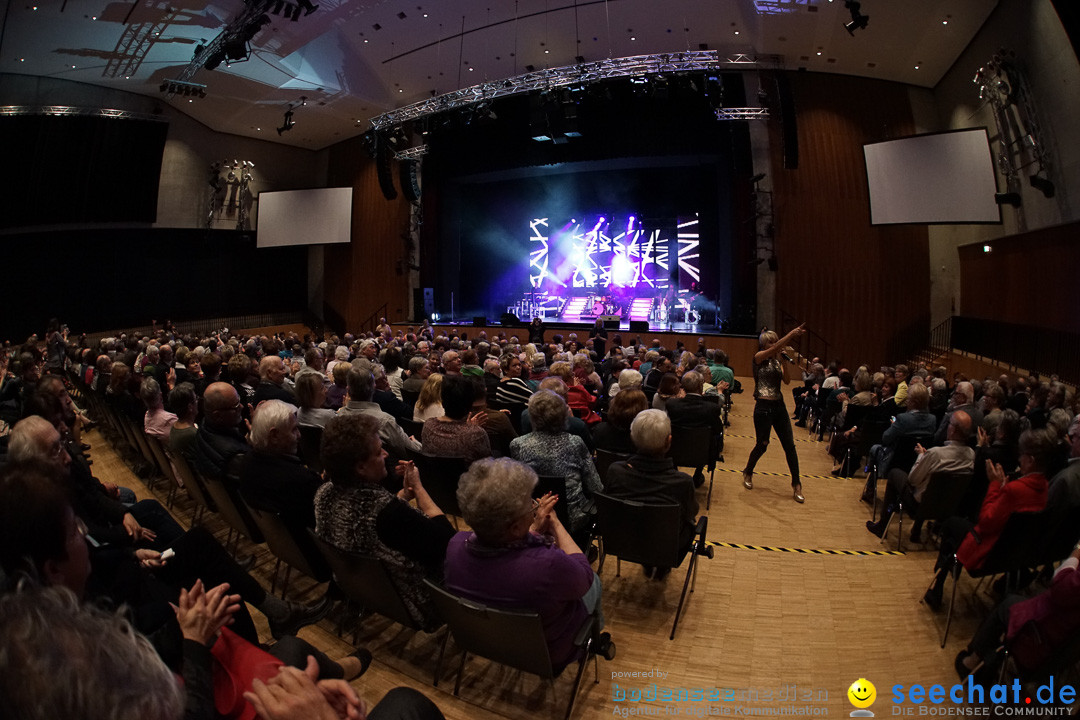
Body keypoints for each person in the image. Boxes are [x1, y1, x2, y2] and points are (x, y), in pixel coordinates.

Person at [444, 457, 611, 670]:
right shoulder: (547, 565)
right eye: (530, 504)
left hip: (490, 642)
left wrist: (532, 530)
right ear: (514, 528)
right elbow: (584, 575)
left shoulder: (455, 545)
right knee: (594, 581)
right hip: (547, 652)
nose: (534, 507)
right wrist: (556, 525)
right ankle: (594, 640)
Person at [314, 413, 455, 629]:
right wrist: (418, 487)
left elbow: (365, 526)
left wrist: (404, 496)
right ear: (360, 467)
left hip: (365, 591)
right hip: (418, 603)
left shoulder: (323, 494)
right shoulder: (388, 513)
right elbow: (447, 543)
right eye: (379, 451)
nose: (386, 454)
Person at [924, 428, 1055, 610]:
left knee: (951, 523)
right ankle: (945, 568)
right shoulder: (1045, 487)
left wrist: (995, 485)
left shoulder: (1015, 490)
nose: (1019, 459)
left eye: (1022, 455)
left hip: (989, 553)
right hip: (1014, 552)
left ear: (1031, 460)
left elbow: (984, 522)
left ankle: (940, 580)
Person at [604, 410, 699, 578]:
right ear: (669, 441)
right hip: (668, 546)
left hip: (624, 540)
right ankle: (660, 563)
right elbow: (692, 512)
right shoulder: (682, 482)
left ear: (632, 438)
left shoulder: (615, 471)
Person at [511, 389, 602, 547]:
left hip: (534, 517)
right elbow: (595, 486)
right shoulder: (575, 442)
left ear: (532, 416)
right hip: (574, 519)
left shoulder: (518, 444)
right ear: (563, 415)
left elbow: (517, 488)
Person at [741, 325, 807, 503]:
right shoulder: (758, 358)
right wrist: (791, 334)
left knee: (789, 446)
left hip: (779, 406)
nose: (775, 344)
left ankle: (797, 484)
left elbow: (786, 382)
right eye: (771, 341)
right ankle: (748, 471)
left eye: (775, 341)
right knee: (762, 445)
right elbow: (775, 348)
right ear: (764, 344)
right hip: (763, 407)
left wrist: (784, 361)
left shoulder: (777, 361)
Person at [420, 374, 491, 464]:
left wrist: (470, 428)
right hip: (468, 477)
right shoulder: (477, 434)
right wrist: (471, 429)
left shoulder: (428, 425)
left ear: (442, 401)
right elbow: (487, 465)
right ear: (470, 403)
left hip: (433, 477)